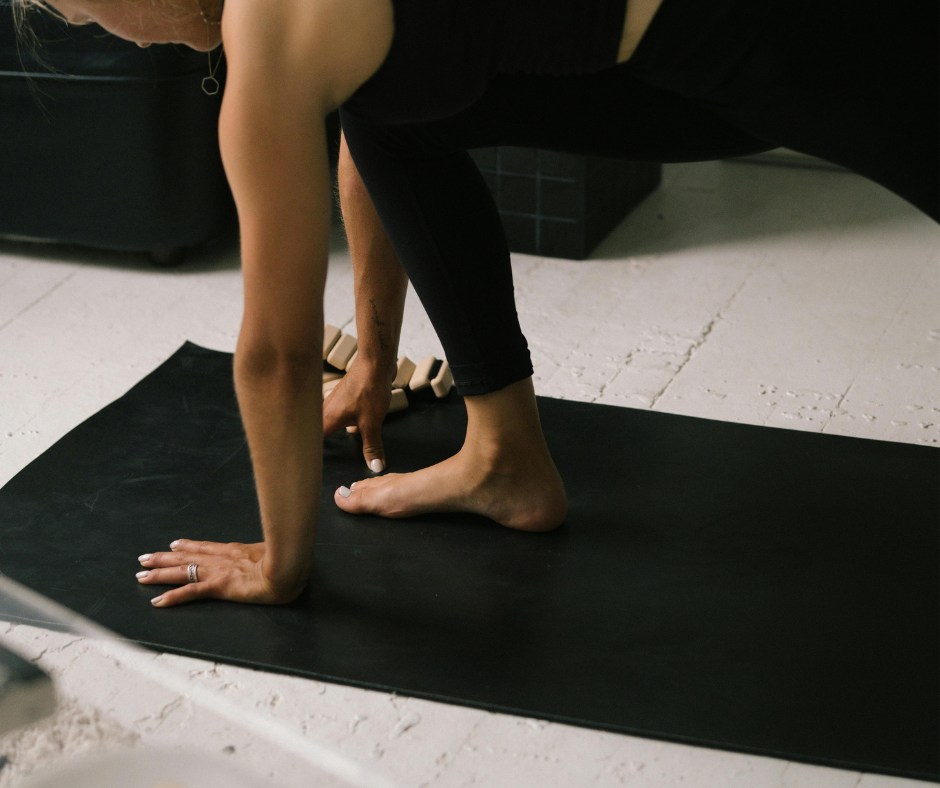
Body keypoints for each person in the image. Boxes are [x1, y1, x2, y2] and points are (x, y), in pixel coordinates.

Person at [18, 0, 938, 608]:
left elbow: (277, 354)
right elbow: (373, 127)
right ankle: (505, 457)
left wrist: (281, 565)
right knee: (392, 116)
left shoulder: (270, 24)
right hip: (674, 58)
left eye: (86, 6)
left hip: (795, 26)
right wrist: (376, 356)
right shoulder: (304, 30)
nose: (117, 35)